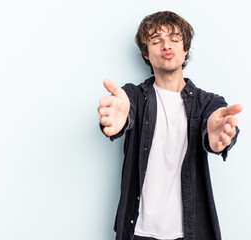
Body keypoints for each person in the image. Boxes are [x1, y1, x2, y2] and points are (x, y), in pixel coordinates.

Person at [98, 11, 242, 240]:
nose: (166, 45)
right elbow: (124, 110)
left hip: (190, 232)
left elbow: (217, 124)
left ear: (185, 49)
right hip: (137, 231)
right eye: (156, 41)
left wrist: (218, 139)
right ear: (146, 54)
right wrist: (118, 118)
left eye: (174, 39)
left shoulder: (207, 103)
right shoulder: (133, 97)